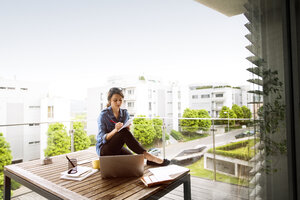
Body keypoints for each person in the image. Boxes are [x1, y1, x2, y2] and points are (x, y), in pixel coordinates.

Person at [96, 87, 170, 166]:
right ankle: (149, 156)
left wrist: (127, 128)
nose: (118, 103)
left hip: (117, 147)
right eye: (115, 100)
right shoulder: (103, 115)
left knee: (135, 161)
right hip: (104, 149)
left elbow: (125, 135)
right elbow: (102, 138)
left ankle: (150, 161)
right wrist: (115, 130)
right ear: (110, 100)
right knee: (123, 132)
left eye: (120, 100)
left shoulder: (125, 113)